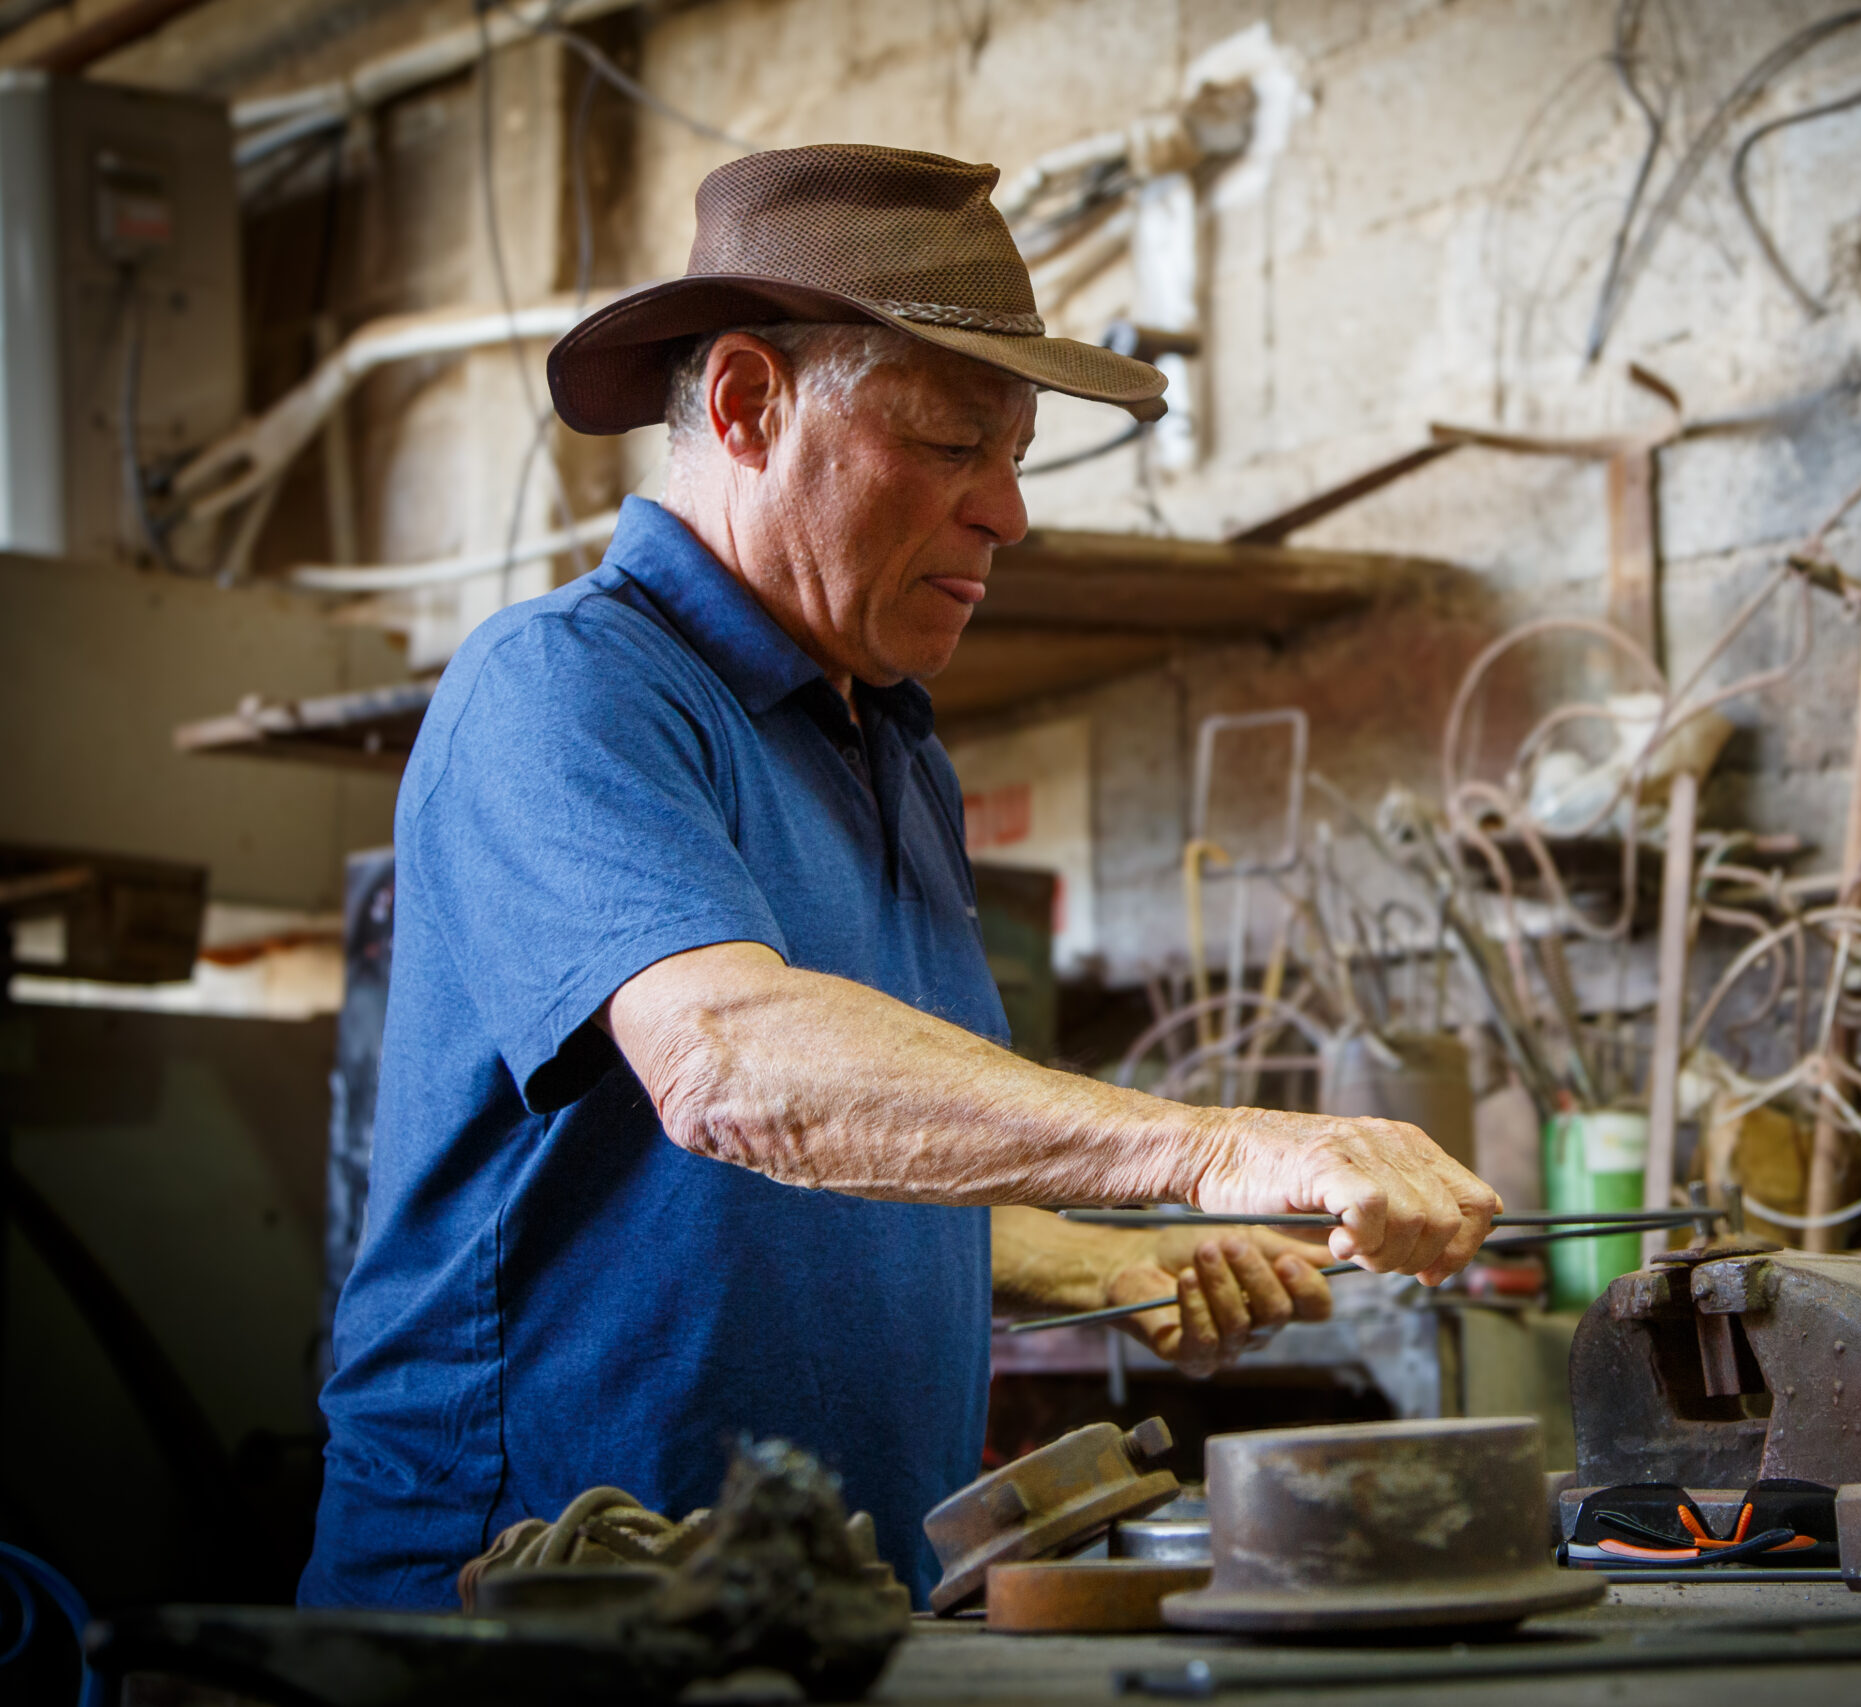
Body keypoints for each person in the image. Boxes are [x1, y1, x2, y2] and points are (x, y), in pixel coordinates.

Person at [300, 144, 1497, 1609]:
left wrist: (1103, 1261)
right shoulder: (564, 690)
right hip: (528, 1626)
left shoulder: (887, 742)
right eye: (951, 445)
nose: (1009, 511)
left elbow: (825, 1180)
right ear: (747, 404)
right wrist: (1218, 1145)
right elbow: (737, 1073)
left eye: (1015, 457)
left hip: (837, 1611)